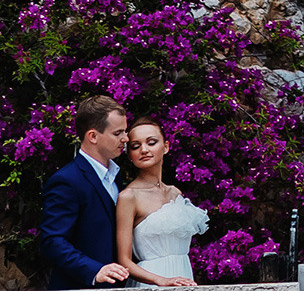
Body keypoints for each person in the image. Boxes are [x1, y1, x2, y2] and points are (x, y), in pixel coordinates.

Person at [39, 96, 131, 288]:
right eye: (118, 133)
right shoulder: (67, 181)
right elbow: (53, 241)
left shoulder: (117, 177)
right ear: (93, 136)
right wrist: (94, 270)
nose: (126, 138)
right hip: (79, 287)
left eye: (125, 131)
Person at [113, 121, 207, 288]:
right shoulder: (129, 197)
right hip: (152, 282)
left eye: (151, 142)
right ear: (129, 155)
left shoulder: (175, 193)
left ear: (166, 147)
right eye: (135, 146)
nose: (144, 150)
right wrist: (160, 281)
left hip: (184, 276)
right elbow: (124, 261)